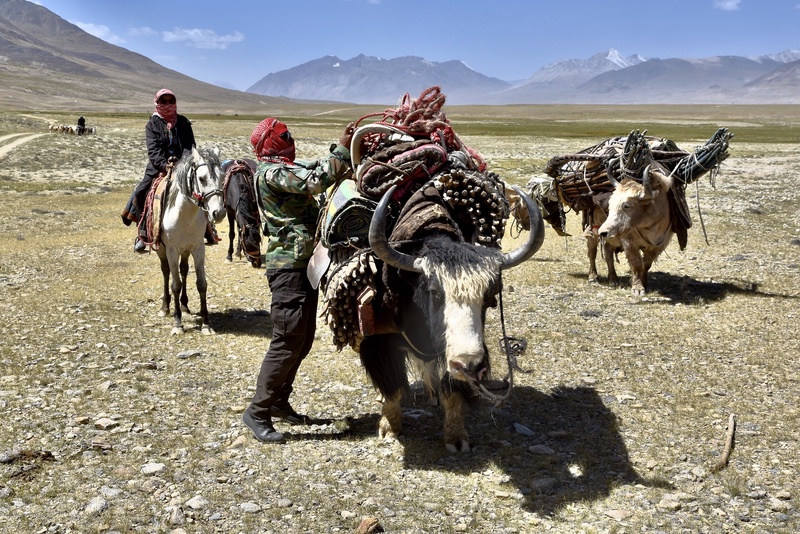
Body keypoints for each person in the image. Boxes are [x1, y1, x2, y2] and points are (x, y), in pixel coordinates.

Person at [242, 117, 355, 443]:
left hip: (303, 265)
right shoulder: (272, 172)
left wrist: (338, 152)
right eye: (285, 136)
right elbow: (315, 178)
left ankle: (278, 400)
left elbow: (316, 167)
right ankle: (257, 411)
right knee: (288, 338)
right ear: (274, 143)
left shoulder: (283, 167)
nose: (290, 140)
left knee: (302, 339)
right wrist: (344, 149)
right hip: (288, 267)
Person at [121, 88, 197, 253]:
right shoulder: (152, 124)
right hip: (158, 166)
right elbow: (153, 151)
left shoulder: (183, 122)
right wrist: (164, 165)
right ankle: (144, 232)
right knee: (141, 191)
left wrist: (182, 163)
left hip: (183, 165)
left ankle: (206, 229)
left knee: (200, 187)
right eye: (164, 101)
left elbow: (189, 146)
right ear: (157, 103)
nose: (168, 104)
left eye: (171, 101)